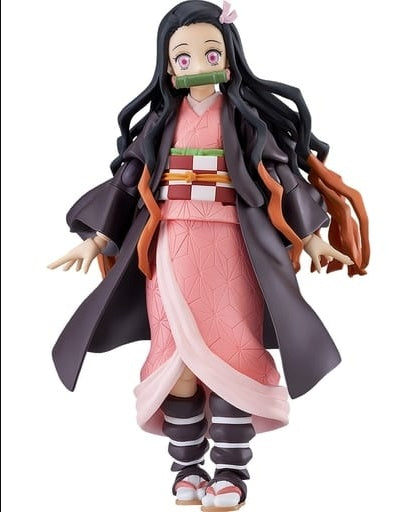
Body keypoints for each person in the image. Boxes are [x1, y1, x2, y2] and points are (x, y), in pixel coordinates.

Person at [48, 1, 369, 510]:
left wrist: (312, 236)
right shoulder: (160, 125)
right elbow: (128, 182)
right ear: (169, 66)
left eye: (210, 53)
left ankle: (231, 474)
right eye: (184, 57)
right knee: (176, 363)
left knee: (229, 359)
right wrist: (98, 237)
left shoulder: (244, 122)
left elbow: (283, 177)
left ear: (229, 57)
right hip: (170, 252)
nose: (198, 64)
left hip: (231, 253)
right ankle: (187, 468)